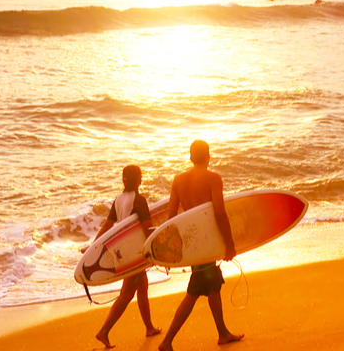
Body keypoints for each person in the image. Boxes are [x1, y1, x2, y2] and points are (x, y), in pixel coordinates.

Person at [158, 141, 244, 351]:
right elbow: (219, 213)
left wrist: (168, 251)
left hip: (190, 240)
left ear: (190, 157)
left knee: (212, 285)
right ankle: (167, 341)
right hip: (208, 240)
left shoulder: (178, 180)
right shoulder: (213, 178)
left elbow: (171, 217)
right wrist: (229, 243)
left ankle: (223, 333)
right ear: (208, 156)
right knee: (195, 291)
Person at [92, 165, 162, 348]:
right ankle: (104, 331)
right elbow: (147, 227)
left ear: (124, 179)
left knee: (142, 287)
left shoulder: (118, 200)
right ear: (139, 179)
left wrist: (94, 245)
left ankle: (149, 327)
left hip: (122, 251)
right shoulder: (139, 200)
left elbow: (108, 225)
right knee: (128, 292)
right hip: (135, 252)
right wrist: (156, 250)